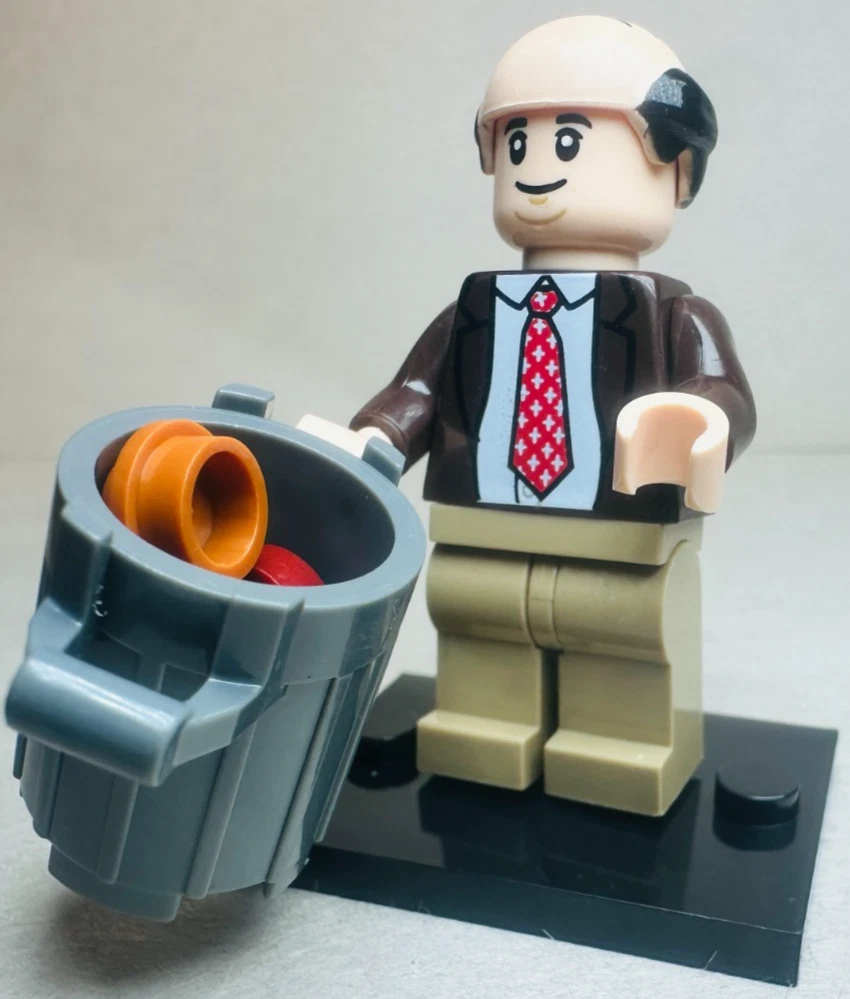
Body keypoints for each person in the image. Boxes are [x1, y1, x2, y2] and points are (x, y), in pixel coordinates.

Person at [327, 15, 755, 815]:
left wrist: (702, 421)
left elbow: (723, 388)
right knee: (478, 621)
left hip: (620, 533)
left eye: (569, 142)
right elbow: (417, 391)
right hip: (481, 523)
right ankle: (482, 731)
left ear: (676, 166)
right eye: (517, 144)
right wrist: (373, 440)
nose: (538, 167)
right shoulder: (475, 310)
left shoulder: (672, 314)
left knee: (624, 636)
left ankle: (620, 746)